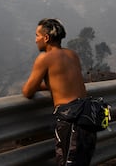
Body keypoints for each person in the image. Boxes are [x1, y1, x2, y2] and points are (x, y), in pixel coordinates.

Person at [22, 18, 96, 165]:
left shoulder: (44, 58)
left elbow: (28, 91)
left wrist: (40, 85)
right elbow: (64, 83)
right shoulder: (72, 55)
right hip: (88, 115)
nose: (35, 40)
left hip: (71, 120)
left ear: (46, 38)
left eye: (37, 35)